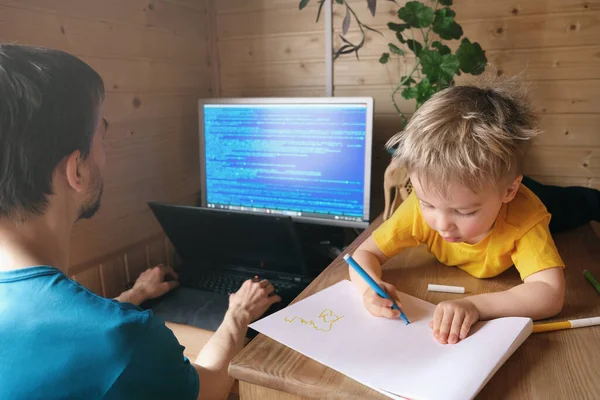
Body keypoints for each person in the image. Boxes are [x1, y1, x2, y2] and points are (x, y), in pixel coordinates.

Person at [0, 44, 280, 399]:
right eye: (101, 135)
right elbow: (207, 386)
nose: (105, 151)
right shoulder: (123, 339)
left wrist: (133, 296)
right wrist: (239, 313)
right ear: (77, 170)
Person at [350, 75, 567, 346]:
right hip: (495, 190)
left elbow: (550, 293)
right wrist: (369, 290)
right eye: (427, 203)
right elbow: (364, 254)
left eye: (463, 212)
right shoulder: (418, 208)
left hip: (545, 201)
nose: (441, 224)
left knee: (578, 203)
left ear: (508, 192)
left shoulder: (526, 217)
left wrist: (476, 306)